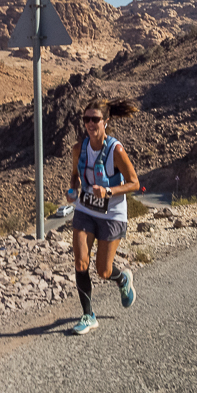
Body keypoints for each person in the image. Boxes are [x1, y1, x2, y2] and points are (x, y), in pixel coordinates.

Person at [65, 97, 140, 335]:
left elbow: (134, 183)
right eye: (86, 119)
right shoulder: (79, 148)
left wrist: (109, 191)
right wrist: (72, 189)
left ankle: (122, 279)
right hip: (86, 209)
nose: (89, 123)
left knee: (103, 271)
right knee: (80, 262)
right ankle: (88, 315)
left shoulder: (116, 150)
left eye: (95, 119)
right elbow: (75, 175)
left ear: (105, 122)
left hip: (112, 213)